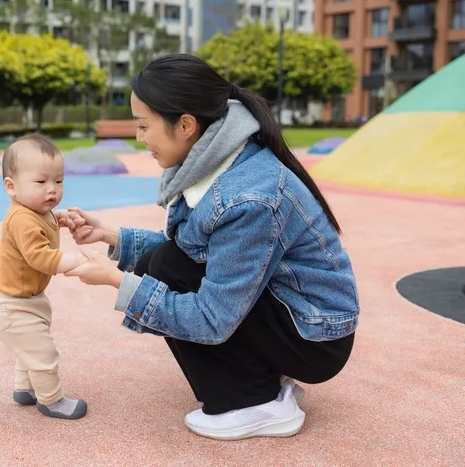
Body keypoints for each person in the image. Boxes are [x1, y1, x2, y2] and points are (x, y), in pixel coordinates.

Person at [61, 54, 359, 440]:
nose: (139, 138)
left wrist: (118, 282)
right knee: (163, 262)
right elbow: (198, 252)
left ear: (186, 125)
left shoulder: (248, 198)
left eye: (144, 125)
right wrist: (112, 236)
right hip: (294, 315)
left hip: (313, 338)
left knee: (163, 268)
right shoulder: (221, 161)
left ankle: (257, 403)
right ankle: (259, 379)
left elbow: (211, 318)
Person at [0, 133, 89, 420]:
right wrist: (76, 261)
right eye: (41, 182)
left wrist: (62, 218)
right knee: (43, 353)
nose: (52, 190)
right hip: (13, 307)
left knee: (28, 348)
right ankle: (52, 401)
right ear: (11, 186)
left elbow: (46, 221)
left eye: (59, 181)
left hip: (24, 300)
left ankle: (25, 389)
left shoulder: (36, 210)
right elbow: (39, 257)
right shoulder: (21, 218)